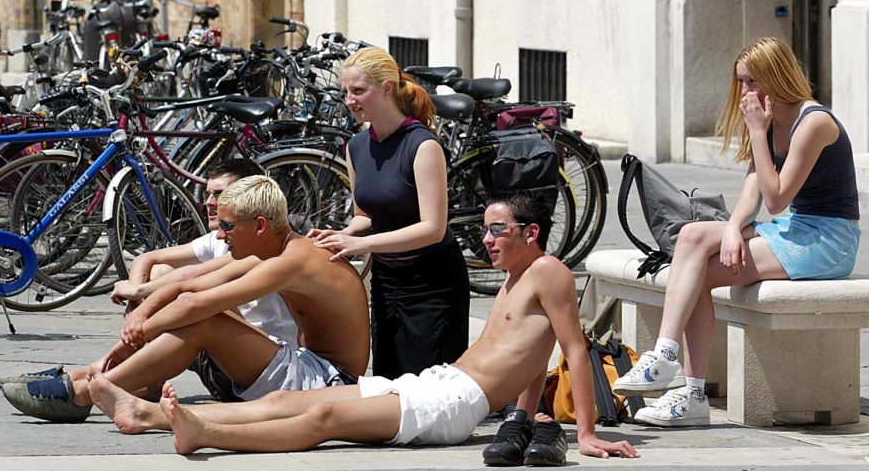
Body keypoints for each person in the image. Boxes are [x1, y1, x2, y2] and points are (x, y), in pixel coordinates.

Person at [85, 193, 638, 461]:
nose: (488, 240)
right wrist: (525, 411)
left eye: (499, 230)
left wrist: (584, 434)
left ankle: (204, 433)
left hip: (453, 407)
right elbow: (526, 356)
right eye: (486, 230)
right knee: (289, 403)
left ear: (532, 231)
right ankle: (150, 414)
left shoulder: (549, 272)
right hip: (439, 382)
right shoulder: (521, 276)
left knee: (323, 413)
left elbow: (571, 349)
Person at [613, 37, 861, 426]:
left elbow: (777, 197)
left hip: (827, 239)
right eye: (742, 81)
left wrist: (759, 134)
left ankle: (687, 388)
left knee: (698, 273)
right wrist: (732, 228)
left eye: (752, 82)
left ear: (775, 77)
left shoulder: (813, 122)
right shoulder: (765, 117)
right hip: (793, 228)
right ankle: (670, 363)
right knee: (694, 238)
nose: (745, 92)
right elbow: (753, 184)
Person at [0, 176, 370, 427]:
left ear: (259, 225)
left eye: (227, 226)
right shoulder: (274, 249)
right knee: (198, 310)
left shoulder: (294, 261)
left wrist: (140, 330)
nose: (220, 235)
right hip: (306, 366)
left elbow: (198, 306)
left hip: (329, 381)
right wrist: (142, 310)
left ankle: (84, 392)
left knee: (205, 319)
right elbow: (187, 286)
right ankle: (101, 379)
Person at [309, 46, 469, 378]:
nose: (350, 100)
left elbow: (432, 228)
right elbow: (364, 214)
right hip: (387, 281)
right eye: (346, 92)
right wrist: (344, 234)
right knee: (389, 385)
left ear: (385, 88)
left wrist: (363, 245)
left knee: (430, 395)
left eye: (358, 91)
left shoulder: (423, 145)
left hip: (432, 283)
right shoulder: (356, 146)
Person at [111, 158, 298, 402]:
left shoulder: (268, 249)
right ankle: (131, 381)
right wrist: (135, 308)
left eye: (219, 194)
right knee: (162, 275)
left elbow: (193, 279)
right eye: (208, 193)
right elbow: (148, 259)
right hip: (223, 356)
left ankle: (94, 384)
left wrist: (139, 312)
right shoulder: (222, 237)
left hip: (258, 367)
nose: (208, 203)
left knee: (200, 303)